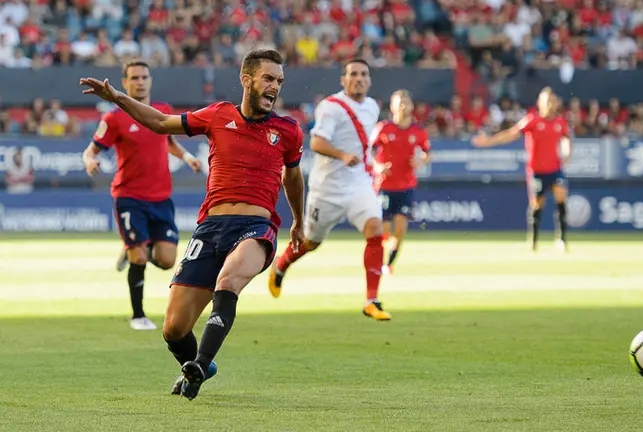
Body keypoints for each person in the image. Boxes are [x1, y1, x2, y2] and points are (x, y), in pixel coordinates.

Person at [79, 49, 306, 400]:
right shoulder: (218, 115)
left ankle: (199, 364)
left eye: (279, 80)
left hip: (255, 227)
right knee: (173, 329)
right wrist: (117, 97)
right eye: (268, 78)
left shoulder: (288, 130)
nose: (275, 86)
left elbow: (292, 178)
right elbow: (159, 122)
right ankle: (199, 365)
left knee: (228, 280)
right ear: (246, 80)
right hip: (210, 228)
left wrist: (299, 221)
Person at [82, 59, 202, 331]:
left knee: (167, 260)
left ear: (150, 80)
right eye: (134, 78)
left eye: (144, 77)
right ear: (124, 83)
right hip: (130, 197)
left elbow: (168, 140)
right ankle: (138, 316)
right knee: (139, 258)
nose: (140, 82)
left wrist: (187, 157)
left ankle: (133, 248)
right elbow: (92, 149)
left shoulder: (162, 110)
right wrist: (89, 161)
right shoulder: (114, 118)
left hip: (161, 198)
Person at [267, 59, 391, 321]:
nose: (359, 78)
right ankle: (281, 264)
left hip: (358, 185)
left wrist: (374, 165)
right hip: (327, 190)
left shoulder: (371, 106)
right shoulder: (331, 107)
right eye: (353, 74)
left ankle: (371, 301)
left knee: (375, 230)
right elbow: (317, 142)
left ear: (369, 80)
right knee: (311, 242)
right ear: (343, 80)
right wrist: (342, 155)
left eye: (363, 74)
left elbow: (364, 146)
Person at [472, 87, 572, 252]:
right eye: (547, 100)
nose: (550, 104)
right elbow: (512, 133)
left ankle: (561, 239)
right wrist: (489, 141)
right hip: (537, 171)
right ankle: (533, 241)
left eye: (552, 100)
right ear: (540, 103)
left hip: (555, 168)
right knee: (537, 204)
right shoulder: (532, 120)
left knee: (561, 194)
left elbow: (566, 138)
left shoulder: (560, 122)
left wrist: (567, 152)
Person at [370, 89, 431, 274]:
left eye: (407, 102)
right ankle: (379, 258)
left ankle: (388, 264)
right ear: (392, 107)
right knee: (383, 228)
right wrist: (377, 166)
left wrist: (420, 161)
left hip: (406, 186)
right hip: (384, 186)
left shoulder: (418, 131)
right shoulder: (383, 128)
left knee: (401, 228)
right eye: (400, 102)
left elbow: (428, 153)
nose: (404, 106)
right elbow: (369, 150)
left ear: (412, 106)